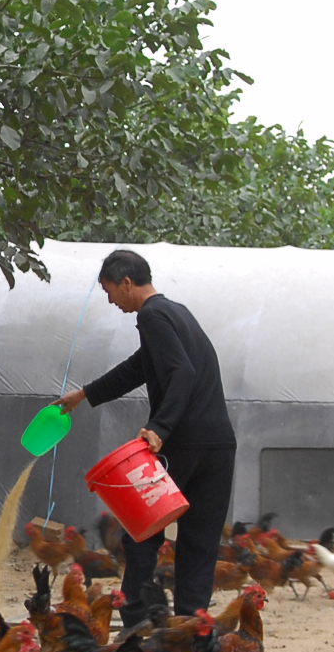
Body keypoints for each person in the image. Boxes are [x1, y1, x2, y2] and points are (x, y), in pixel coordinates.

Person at [57, 249, 235, 621]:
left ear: (126, 283)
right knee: (199, 541)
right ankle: (191, 625)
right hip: (218, 444)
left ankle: (135, 618)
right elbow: (138, 368)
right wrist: (87, 394)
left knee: (141, 530)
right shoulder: (177, 312)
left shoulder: (152, 316)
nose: (110, 300)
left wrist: (159, 427)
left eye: (109, 291)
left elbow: (180, 373)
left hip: (183, 442)